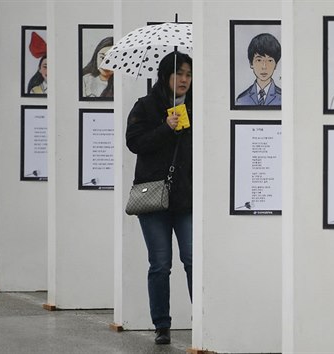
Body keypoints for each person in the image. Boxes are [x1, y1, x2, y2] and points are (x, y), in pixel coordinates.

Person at [126, 51, 193, 345]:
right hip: (154, 196)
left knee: (192, 259)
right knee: (160, 263)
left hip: (186, 198)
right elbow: (135, 142)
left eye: (189, 75)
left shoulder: (196, 106)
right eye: (179, 74)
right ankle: (162, 326)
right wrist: (166, 128)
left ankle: (202, 319)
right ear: (166, 75)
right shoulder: (145, 106)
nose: (184, 80)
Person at [235, 33, 281, 106]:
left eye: (269, 60)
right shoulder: (241, 99)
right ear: (251, 63)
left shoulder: (283, 97)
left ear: (276, 65)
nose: (264, 67)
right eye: (259, 60)